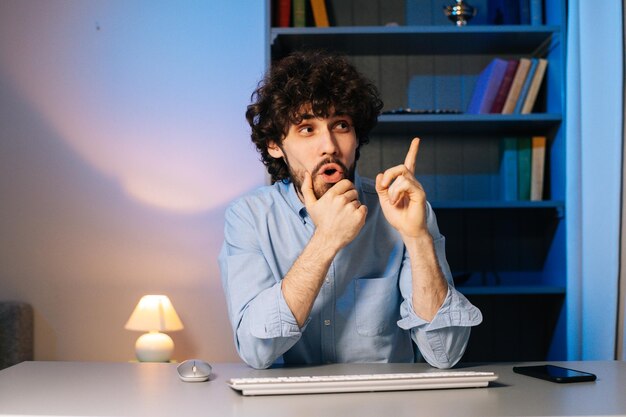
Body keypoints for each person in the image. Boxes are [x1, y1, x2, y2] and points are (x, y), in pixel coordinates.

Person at [218, 50, 482, 370]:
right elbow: (255, 351)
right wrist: (326, 240)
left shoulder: (404, 210)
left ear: (356, 137)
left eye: (340, 125)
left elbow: (446, 353)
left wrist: (417, 237)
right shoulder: (248, 217)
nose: (329, 145)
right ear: (275, 144)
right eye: (307, 128)